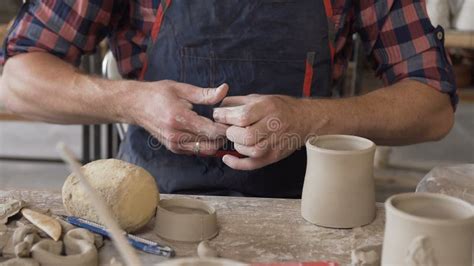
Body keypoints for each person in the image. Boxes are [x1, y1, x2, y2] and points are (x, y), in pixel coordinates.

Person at [0, 0, 456, 198]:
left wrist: (313, 118)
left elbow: (433, 104)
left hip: (302, 205)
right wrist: (131, 101)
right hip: (152, 202)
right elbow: (16, 80)